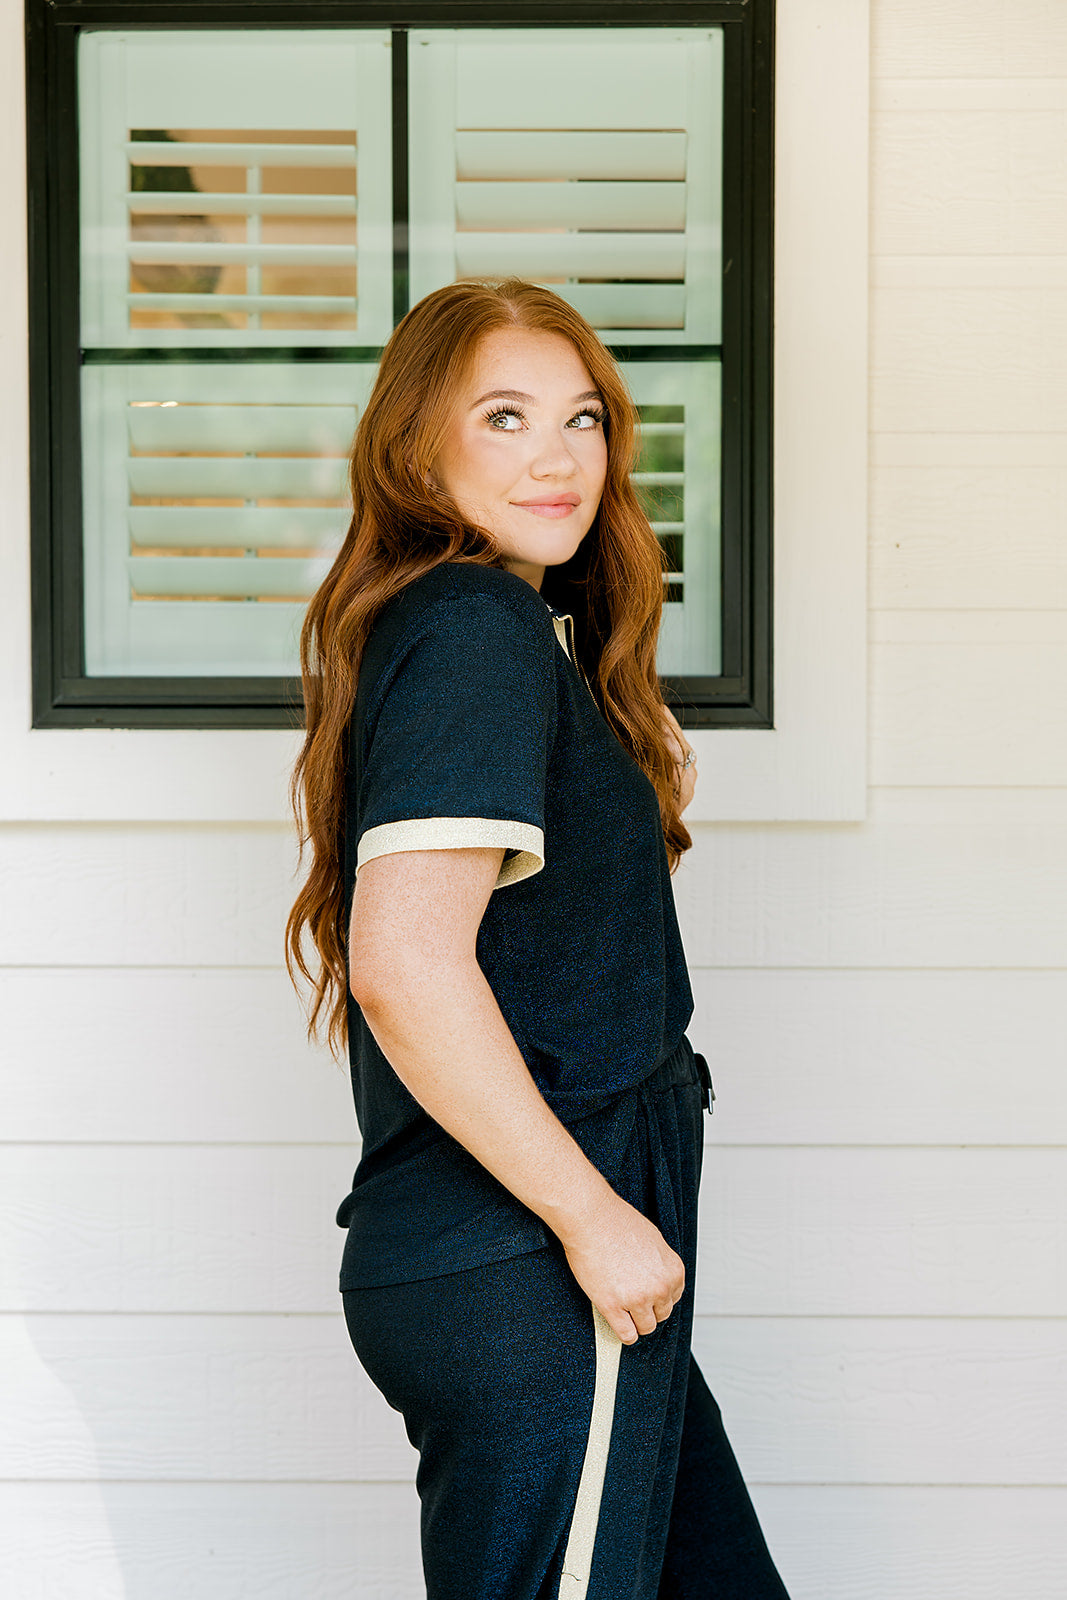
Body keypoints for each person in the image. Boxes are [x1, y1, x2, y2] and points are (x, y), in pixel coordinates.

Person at [287, 278, 791, 1600]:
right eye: (504, 416)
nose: (559, 456)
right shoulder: (474, 627)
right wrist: (592, 1218)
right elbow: (405, 967)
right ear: (417, 444)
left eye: (583, 418)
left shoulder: (498, 632)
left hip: (545, 1263)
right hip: (533, 1266)